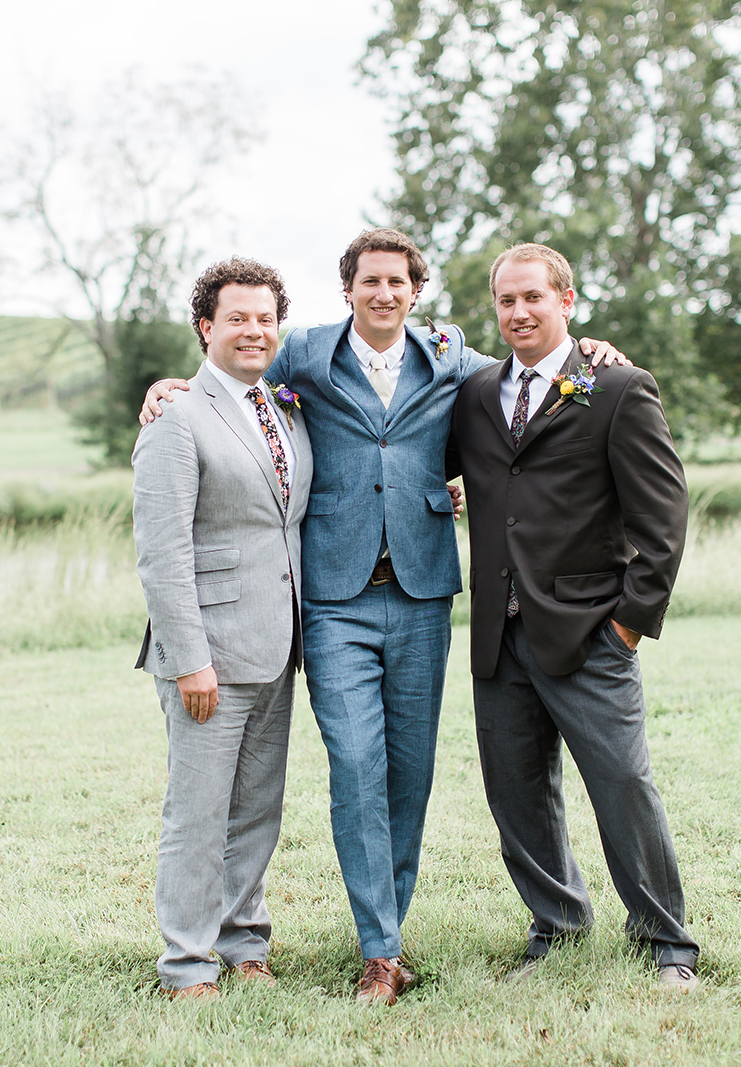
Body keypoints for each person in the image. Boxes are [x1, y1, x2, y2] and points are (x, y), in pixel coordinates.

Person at [141, 228, 627, 1004]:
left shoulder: (451, 358)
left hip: (425, 593)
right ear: (349, 290)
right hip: (334, 602)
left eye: (398, 281)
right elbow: (234, 380)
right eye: (370, 280)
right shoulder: (303, 352)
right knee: (358, 765)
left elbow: (529, 370)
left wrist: (592, 350)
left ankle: (386, 939)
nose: (384, 293)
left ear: (415, 290)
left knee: (412, 772)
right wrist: (171, 386)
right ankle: (377, 953)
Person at [447, 243, 700, 990]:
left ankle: (667, 942)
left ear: (567, 298)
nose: (519, 312)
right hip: (498, 630)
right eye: (505, 301)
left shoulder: (616, 388)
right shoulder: (475, 395)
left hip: (591, 629)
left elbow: (664, 518)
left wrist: (628, 623)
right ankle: (555, 925)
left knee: (622, 783)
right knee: (515, 791)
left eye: (533, 297)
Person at [130, 256, 311, 1000]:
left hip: (277, 647)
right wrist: (189, 659)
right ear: (206, 327)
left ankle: (244, 942)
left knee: (257, 810)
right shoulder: (176, 416)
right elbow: (162, 551)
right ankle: (187, 962)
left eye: (265, 317)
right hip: (207, 657)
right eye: (237, 316)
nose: (253, 329)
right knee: (198, 814)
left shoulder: (287, 410)